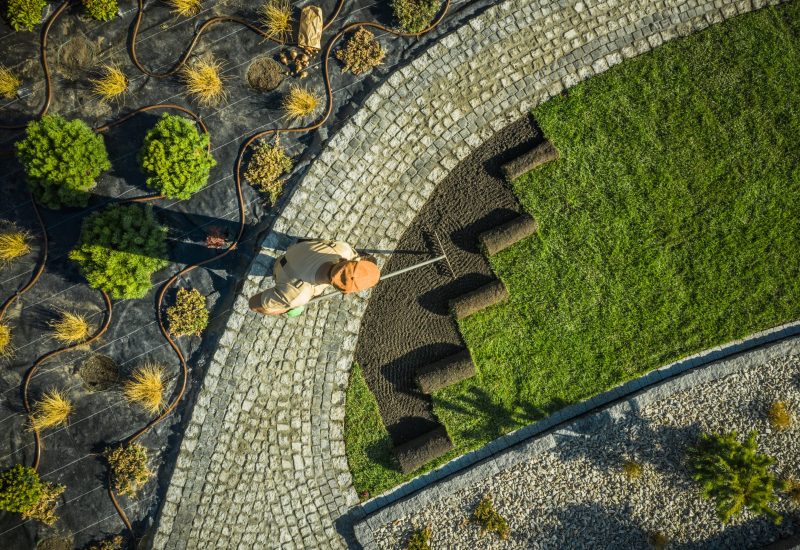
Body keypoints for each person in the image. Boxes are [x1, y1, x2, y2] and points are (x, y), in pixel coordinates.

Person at [248, 239, 381, 316]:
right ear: (343, 292)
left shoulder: (342, 249)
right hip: (279, 271)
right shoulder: (298, 295)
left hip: (293, 254)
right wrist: (285, 308)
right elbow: (253, 304)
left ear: (345, 260)